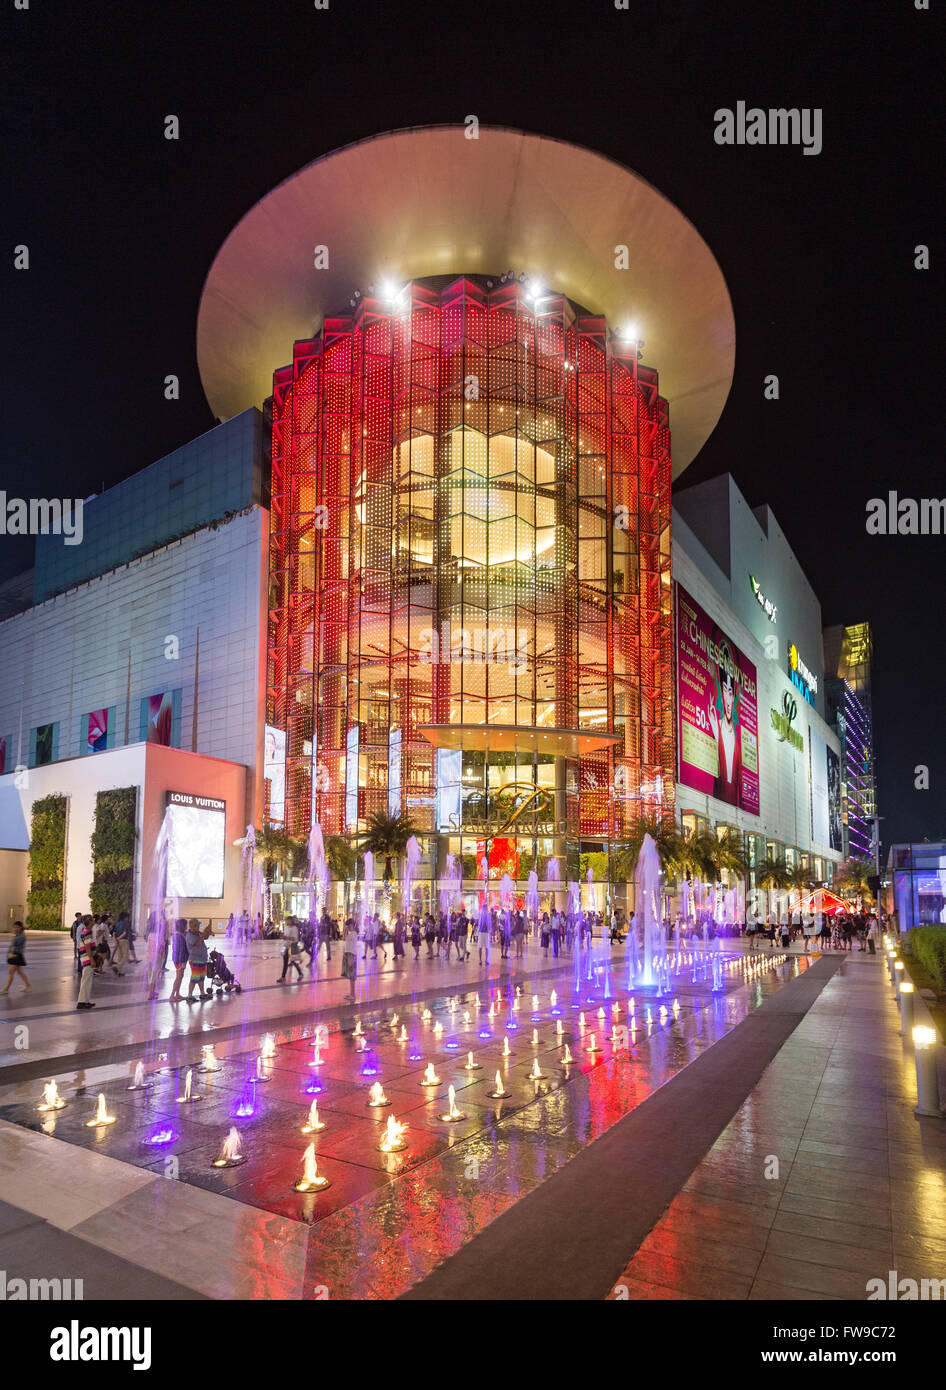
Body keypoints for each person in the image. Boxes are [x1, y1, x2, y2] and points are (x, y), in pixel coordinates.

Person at [185, 918, 213, 1000]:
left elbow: (205, 937)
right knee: (195, 978)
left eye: (198, 926)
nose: (197, 928)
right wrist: (204, 932)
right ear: (191, 927)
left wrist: (207, 931)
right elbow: (199, 943)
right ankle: (190, 995)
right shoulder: (190, 935)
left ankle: (202, 993)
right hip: (195, 959)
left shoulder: (198, 933)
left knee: (201, 977)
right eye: (195, 926)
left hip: (202, 959)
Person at [1, 921, 30, 994]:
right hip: (16, 955)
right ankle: (27, 985)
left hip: (16, 956)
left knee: (11, 972)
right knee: (19, 972)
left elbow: (16, 947)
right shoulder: (18, 935)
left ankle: (6, 989)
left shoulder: (21, 936)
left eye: (17, 927)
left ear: (20, 927)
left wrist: (12, 954)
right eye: (14, 927)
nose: (15, 929)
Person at [76, 915, 97, 1010]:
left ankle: (86, 1001)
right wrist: (92, 959)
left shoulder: (86, 931)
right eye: (92, 920)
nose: (93, 922)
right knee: (85, 981)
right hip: (87, 959)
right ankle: (81, 1002)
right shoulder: (87, 932)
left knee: (88, 981)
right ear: (89, 921)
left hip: (86, 958)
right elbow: (87, 947)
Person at [168, 918, 189, 1001]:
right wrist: (180, 963)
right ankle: (172, 995)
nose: (186, 926)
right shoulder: (178, 936)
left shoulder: (179, 934)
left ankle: (177, 994)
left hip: (181, 959)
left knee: (180, 976)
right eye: (185, 925)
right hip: (180, 960)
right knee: (178, 977)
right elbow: (178, 950)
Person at [341, 916, 359, 1002]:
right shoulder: (350, 933)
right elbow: (344, 939)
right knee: (350, 976)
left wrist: (350, 959)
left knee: (352, 976)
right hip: (348, 955)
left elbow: (351, 947)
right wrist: (345, 930)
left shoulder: (354, 934)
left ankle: (353, 994)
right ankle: (351, 993)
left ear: (352, 925)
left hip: (351, 955)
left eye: (349, 925)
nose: (348, 927)